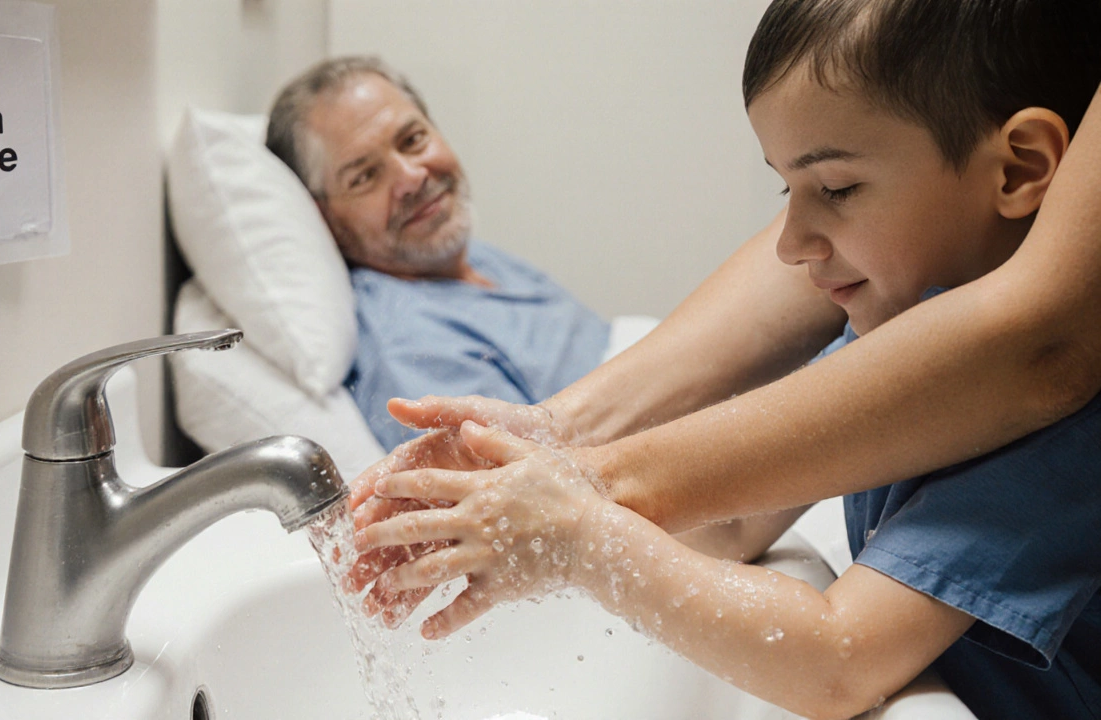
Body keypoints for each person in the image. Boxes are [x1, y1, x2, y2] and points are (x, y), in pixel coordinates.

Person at [351, 1, 1101, 718]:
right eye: (787, 190)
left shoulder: (1052, 430)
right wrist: (530, 483)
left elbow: (840, 660)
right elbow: (734, 522)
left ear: (1017, 169)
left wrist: (582, 535)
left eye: (835, 188)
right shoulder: (890, 330)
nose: (789, 243)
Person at [263, 57, 612, 451]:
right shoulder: (410, 346)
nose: (412, 177)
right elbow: (535, 490)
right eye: (364, 177)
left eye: (412, 140)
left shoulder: (464, 259)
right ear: (323, 218)